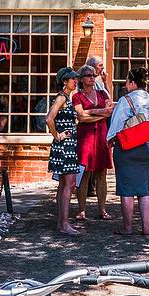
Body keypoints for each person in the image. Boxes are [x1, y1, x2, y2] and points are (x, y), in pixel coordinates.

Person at [107, 67, 149, 236]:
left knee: (126, 189)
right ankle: (146, 227)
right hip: (146, 147)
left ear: (133, 83)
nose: (126, 85)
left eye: (127, 81)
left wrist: (110, 140)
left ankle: (127, 227)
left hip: (127, 148)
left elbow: (116, 125)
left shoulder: (125, 101)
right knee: (143, 188)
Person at [73, 64, 114, 221]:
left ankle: (102, 209)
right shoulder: (77, 96)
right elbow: (80, 117)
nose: (92, 78)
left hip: (101, 136)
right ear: (82, 79)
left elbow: (110, 111)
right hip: (85, 137)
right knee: (83, 174)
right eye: (89, 75)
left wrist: (90, 111)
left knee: (101, 174)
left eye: (93, 75)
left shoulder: (102, 93)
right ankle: (81, 209)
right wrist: (100, 113)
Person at [45, 67, 83, 236]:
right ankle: (65, 223)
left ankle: (61, 222)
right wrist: (57, 135)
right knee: (69, 184)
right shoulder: (61, 97)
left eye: (76, 78)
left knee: (64, 185)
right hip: (65, 146)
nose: (76, 81)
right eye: (72, 79)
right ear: (64, 82)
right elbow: (49, 118)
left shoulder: (68, 98)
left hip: (68, 146)